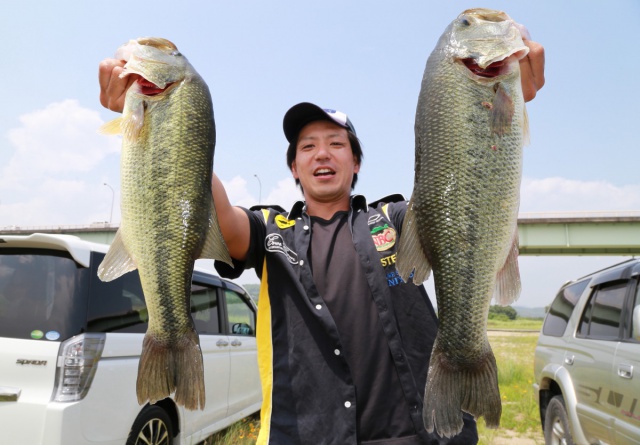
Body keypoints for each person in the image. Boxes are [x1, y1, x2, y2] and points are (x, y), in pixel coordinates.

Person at [99, 40, 545, 445]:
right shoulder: (271, 232)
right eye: (307, 147)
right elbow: (214, 212)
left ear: (355, 164)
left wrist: (494, 109)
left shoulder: (396, 220)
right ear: (294, 168)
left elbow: (464, 198)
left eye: (336, 143)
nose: (323, 154)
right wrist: (167, 129)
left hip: (417, 434)